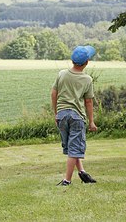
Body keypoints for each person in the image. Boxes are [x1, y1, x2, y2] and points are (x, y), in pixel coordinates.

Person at [51, 45, 98, 186]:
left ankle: (82, 172)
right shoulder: (87, 79)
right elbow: (88, 101)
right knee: (75, 148)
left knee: (71, 147)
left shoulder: (62, 74)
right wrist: (91, 122)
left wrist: (56, 113)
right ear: (87, 62)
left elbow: (54, 93)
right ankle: (67, 180)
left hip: (62, 115)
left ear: (72, 60)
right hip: (77, 116)